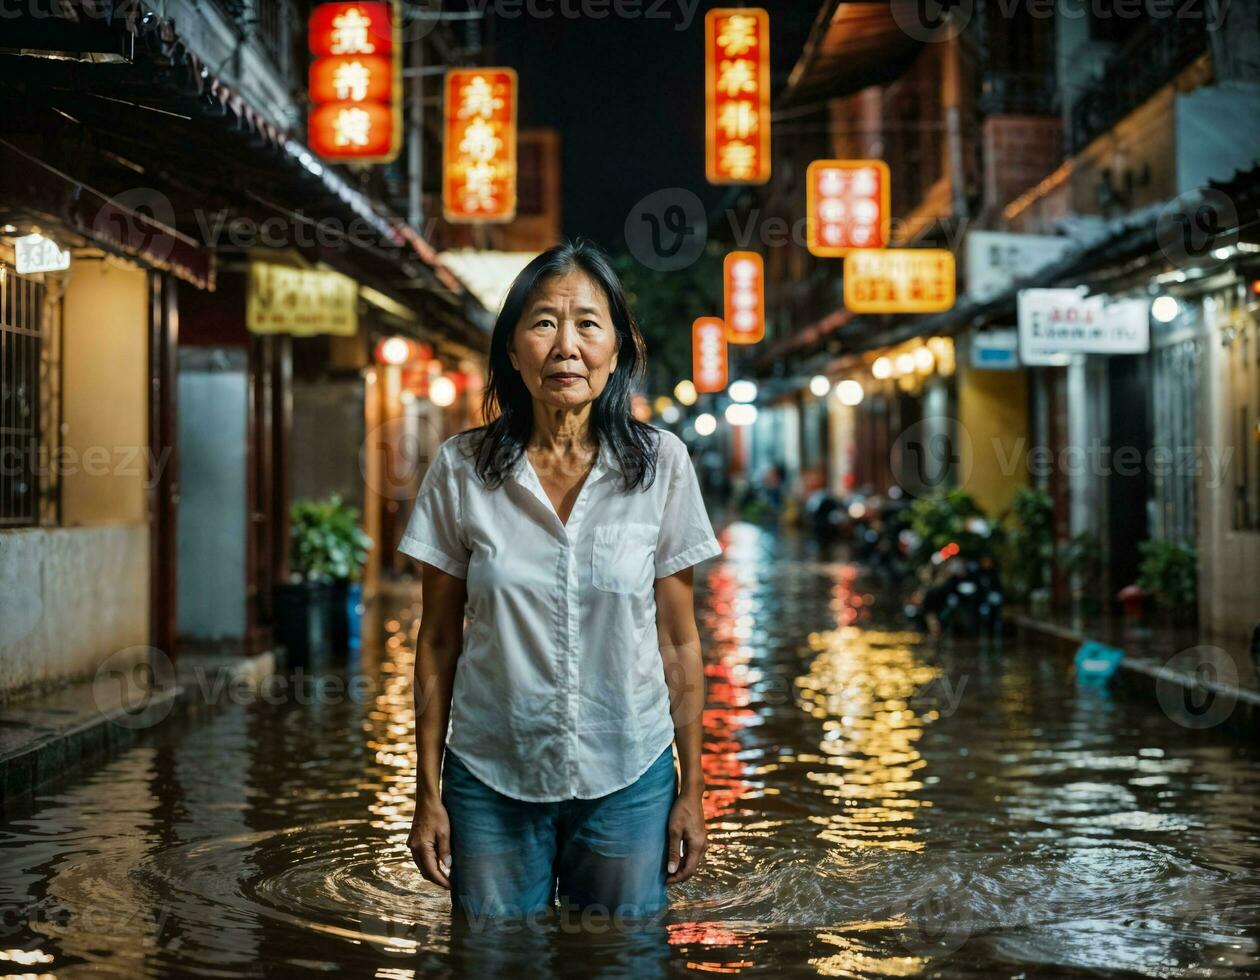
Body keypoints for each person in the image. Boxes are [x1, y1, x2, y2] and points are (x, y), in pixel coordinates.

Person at [397, 239, 723, 926]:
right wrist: (426, 791)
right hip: (489, 776)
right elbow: (435, 643)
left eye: (587, 323)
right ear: (513, 350)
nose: (565, 346)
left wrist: (693, 789)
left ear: (618, 349)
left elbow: (680, 642)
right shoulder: (462, 469)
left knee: (622, 962)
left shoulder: (662, 465)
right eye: (544, 322)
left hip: (629, 776)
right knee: (489, 962)